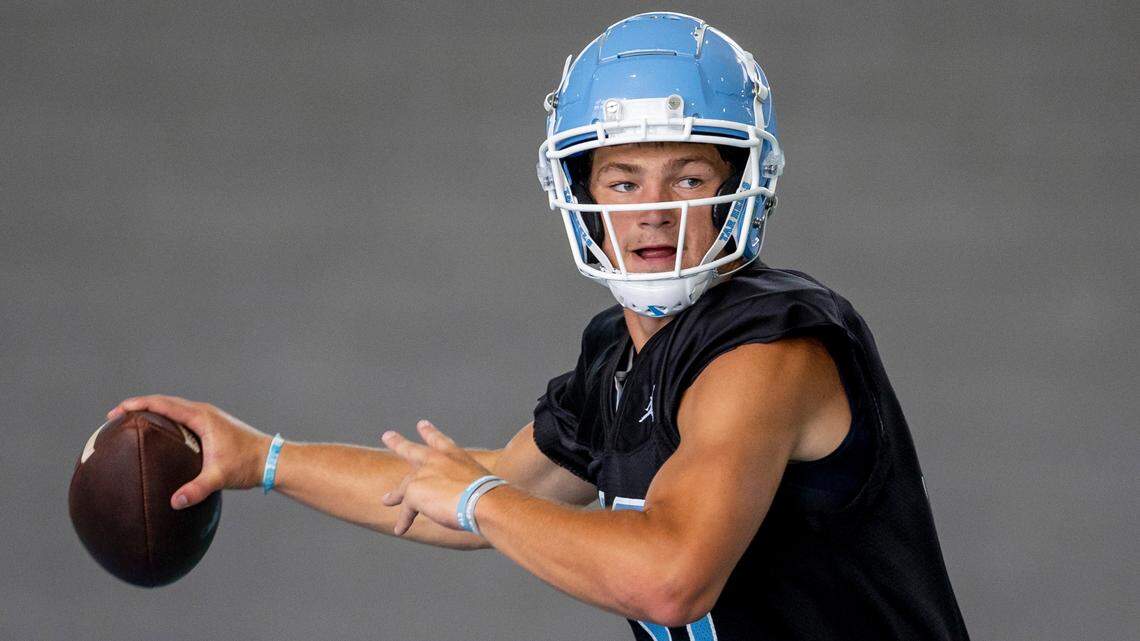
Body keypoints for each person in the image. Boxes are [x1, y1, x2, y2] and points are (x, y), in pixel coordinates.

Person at [108, 12, 970, 641]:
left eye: (690, 177)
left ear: (742, 182)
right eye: (625, 181)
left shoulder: (769, 348)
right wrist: (261, 457)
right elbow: (471, 490)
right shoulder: (620, 356)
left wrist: (479, 500)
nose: (655, 213)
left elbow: (669, 578)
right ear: (584, 196)